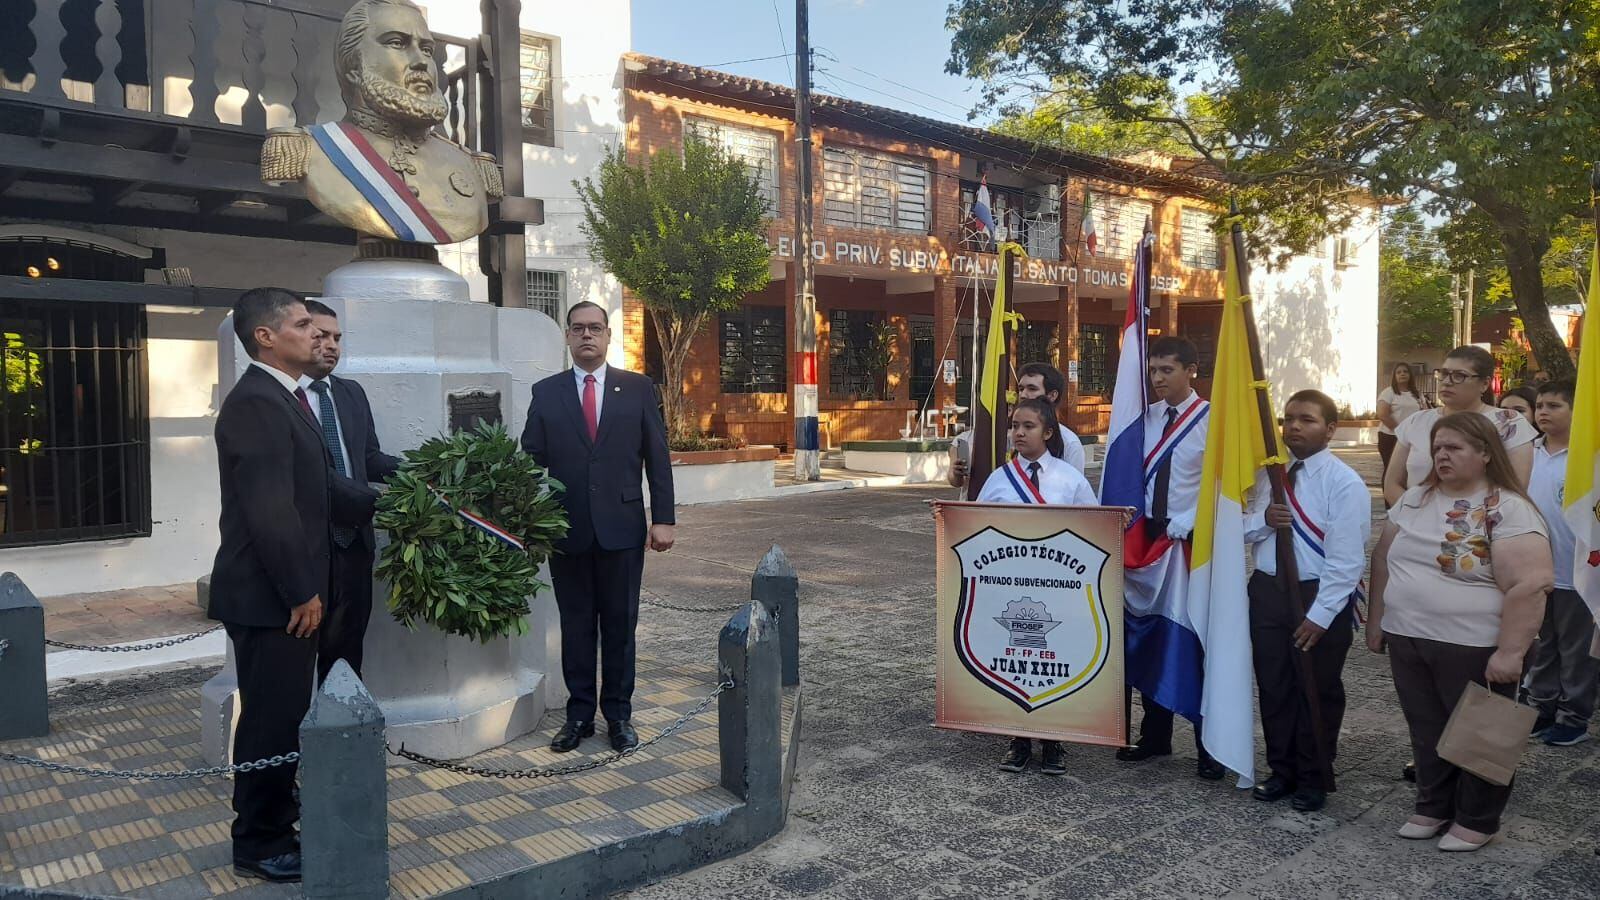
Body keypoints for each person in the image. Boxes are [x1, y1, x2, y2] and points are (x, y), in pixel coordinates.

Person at [1367, 412, 1552, 852]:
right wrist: (1376, 620)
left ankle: (1477, 819)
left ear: (1486, 453)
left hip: (1474, 643)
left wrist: (1511, 652)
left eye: (1455, 448)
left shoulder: (1507, 507)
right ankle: (1433, 806)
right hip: (1409, 636)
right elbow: (1382, 559)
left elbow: (1531, 585)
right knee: (1426, 729)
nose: (1442, 455)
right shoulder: (1416, 497)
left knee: (1482, 734)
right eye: (1438, 448)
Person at [209, 288, 330, 883]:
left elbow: (315, 488)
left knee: (282, 716)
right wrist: (300, 592)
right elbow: (270, 511)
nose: (317, 334)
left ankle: (278, 813)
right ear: (266, 336)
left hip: (281, 593)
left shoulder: (283, 398)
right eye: (304, 323)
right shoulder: (258, 402)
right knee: (270, 722)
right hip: (272, 599)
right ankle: (260, 842)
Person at [521, 301, 675, 754]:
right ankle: (579, 715)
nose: (586, 336)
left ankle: (619, 716)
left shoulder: (638, 388)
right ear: (567, 337)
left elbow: (657, 458)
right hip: (565, 532)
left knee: (621, 625)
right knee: (576, 626)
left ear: (608, 336)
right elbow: (531, 461)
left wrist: (663, 518)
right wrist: (531, 520)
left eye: (595, 328)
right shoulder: (546, 393)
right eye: (577, 329)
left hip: (623, 530)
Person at [1243, 390, 1372, 813]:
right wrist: (1263, 522)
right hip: (1268, 590)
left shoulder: (1344, 483)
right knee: (1274, 685)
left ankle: (1314, 775)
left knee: (1316, 687)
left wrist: (1319, 617)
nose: (1294, 427)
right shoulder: (1270, 476)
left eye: (1307, 419)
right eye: (1288, 419)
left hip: (1319, 597)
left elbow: (1347, 561)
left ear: (1330, 429)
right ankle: (1281, 770)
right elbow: (1240, 531)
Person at [1118, 336, 1223, 780]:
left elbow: (1230, 487)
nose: (1158, 379)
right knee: (1150, 635)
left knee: (1194, 642)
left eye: (1168, 370)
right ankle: (1155, 736)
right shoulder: (1146, 419)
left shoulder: (1214, 421)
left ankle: (1209, 744)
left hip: (1191, 543)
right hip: (1148, 542)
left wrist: (1196, 516)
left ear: (1191, 370)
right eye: (1154, 370)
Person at [976, 398, 1097, 776]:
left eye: (1028, 426)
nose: (1019, 433)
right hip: (1012, 590)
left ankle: (1054, 742)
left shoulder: (1069, 478)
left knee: (1054, 663)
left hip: (1058, 591)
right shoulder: (999, 478)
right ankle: (1018, 741)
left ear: (1047, 433)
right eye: (1015, 425)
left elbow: (1094, 527)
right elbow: (976, 526)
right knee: (1015, 663)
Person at [300, 300, 400, 682]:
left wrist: (423, 472)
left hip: (355, 547)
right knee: (299, 664)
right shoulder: (285, 400)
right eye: (320, 336)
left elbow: (369, 458)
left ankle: (343, 733)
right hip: (311, 550)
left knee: (346, 658)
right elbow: (313, 477)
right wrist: (379, 502)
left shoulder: (351, 393)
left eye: (337, 338)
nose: (331, 346)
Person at [1522, 380, 1596, 747]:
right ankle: (1541, 706)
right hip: (1536, 569)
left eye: (1554, 405)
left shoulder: (1588, 459)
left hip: (1575, 571)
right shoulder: (1528, 453)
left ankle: (1574, 716)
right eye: (1539, 406)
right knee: (1542, 642)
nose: (1543, 412)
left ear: (1576, 412)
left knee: (1576, 648)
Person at [1383, 345, 1536, 507]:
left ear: (1484, 384)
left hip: (1480, 527)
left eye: (1459, 376)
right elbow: (1392, 484)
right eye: (1443, 374)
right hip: (1414, 522)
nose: (1447, 382)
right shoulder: (1416, 421)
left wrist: (1456, 523)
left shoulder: (1509, 423)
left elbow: (1515, 488)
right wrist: (1418, 517)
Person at [948, 361, 1085, 487]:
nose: (1024, 395)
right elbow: (957, 481)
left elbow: (1072, 492)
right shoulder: (997, 436)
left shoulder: (1070, 443)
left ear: (1052, 395)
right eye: (1021, 389)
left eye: (1032, 389)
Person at [1377, 363, 1427, 476]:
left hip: (1412, 438)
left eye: (1405, 371)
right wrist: (1400, 430)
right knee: (1391, 470)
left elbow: (1424, 414)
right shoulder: (1388, 392)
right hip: (1390, 437)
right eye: (1398, 372)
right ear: (1394, 376)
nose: (1402, 374)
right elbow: (1382, 414)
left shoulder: (1417, 394)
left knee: (1409, 470)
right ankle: (1389, 493)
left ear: (1410, 375)